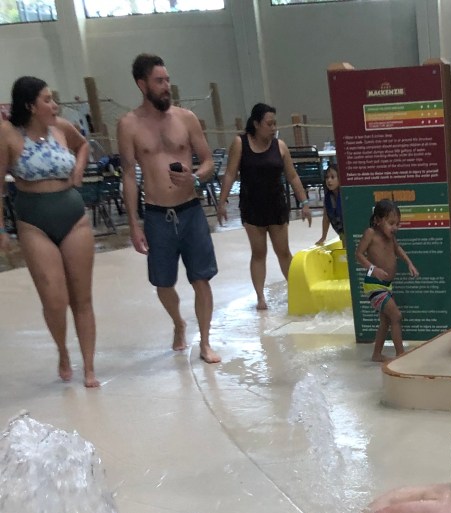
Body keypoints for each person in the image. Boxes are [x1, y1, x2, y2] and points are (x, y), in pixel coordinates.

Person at [117, 53, 221, 363]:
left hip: (190, 210)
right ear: (142, 84)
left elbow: (209, 162)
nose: (166, 86)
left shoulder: (186, 119)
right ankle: (178, 322)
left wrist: (195, 176)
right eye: (159, 81)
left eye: (167, 80)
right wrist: (133, 224)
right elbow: (128, 175)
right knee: (163, 283)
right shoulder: (128, 125)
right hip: (157, 214)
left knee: (201, 278)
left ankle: (205, 342)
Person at [0, 77, 100, 387]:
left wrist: (79, 170)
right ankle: (63, 351)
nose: (54, 105)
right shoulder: (8, 134)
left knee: (82, 297)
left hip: (73, 217)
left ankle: (89, 366)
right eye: (47, 100)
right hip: (34, 222)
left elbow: (83, 145)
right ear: (30, 106)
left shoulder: (62, 128)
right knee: (55, 299)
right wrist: (1, 229)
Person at [215, 102, 312, 311]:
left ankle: (297, 291)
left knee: (283, 252)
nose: (273, 127)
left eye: (275, 123)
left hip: (276, 205)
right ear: (257, 124)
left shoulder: (280, 146)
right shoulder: (240, 143)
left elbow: (293, 176)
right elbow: (230, 174)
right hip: (252, 206)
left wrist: (305, 202)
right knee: (259, 252)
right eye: (269, 124)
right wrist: (222, 202)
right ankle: (260, 297)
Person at [354, 199, 419, 361]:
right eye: (391, 223)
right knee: (396, 316)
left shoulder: (391, 237)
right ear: (377, 220)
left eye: (397, 224)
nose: (395, 227)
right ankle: (400, 354)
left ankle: (377, 354)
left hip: (386, 286)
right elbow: (358, 254)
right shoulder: (370, 233)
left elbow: (397, 249)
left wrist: (409, 263)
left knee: (386, 320)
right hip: (374, 285)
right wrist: (373, 269)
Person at [315, 162, 343, 246]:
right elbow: (326, 218)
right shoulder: (328, 198)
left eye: (332, 177)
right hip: (341, 232)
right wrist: (323, 237)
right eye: (327, 177)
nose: (329, 180)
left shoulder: (345, 196)